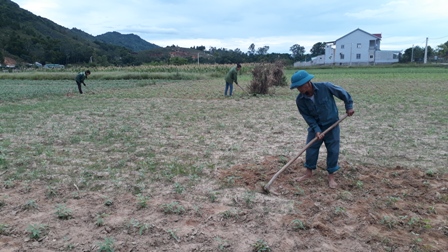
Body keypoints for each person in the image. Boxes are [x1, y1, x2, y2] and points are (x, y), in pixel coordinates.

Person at [290, 70, 354, 188]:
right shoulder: (300, 100)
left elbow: (343, 93)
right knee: (311, 148)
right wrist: (316, 129)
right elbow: (307, 117)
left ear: (308, 83)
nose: (298, 90)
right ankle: (308, 173)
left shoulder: (326, 87)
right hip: (315, 127)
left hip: (332, 125)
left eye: (299, 86)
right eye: (297, 87)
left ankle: (331, 176)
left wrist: (349, 106)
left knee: (333, 150)